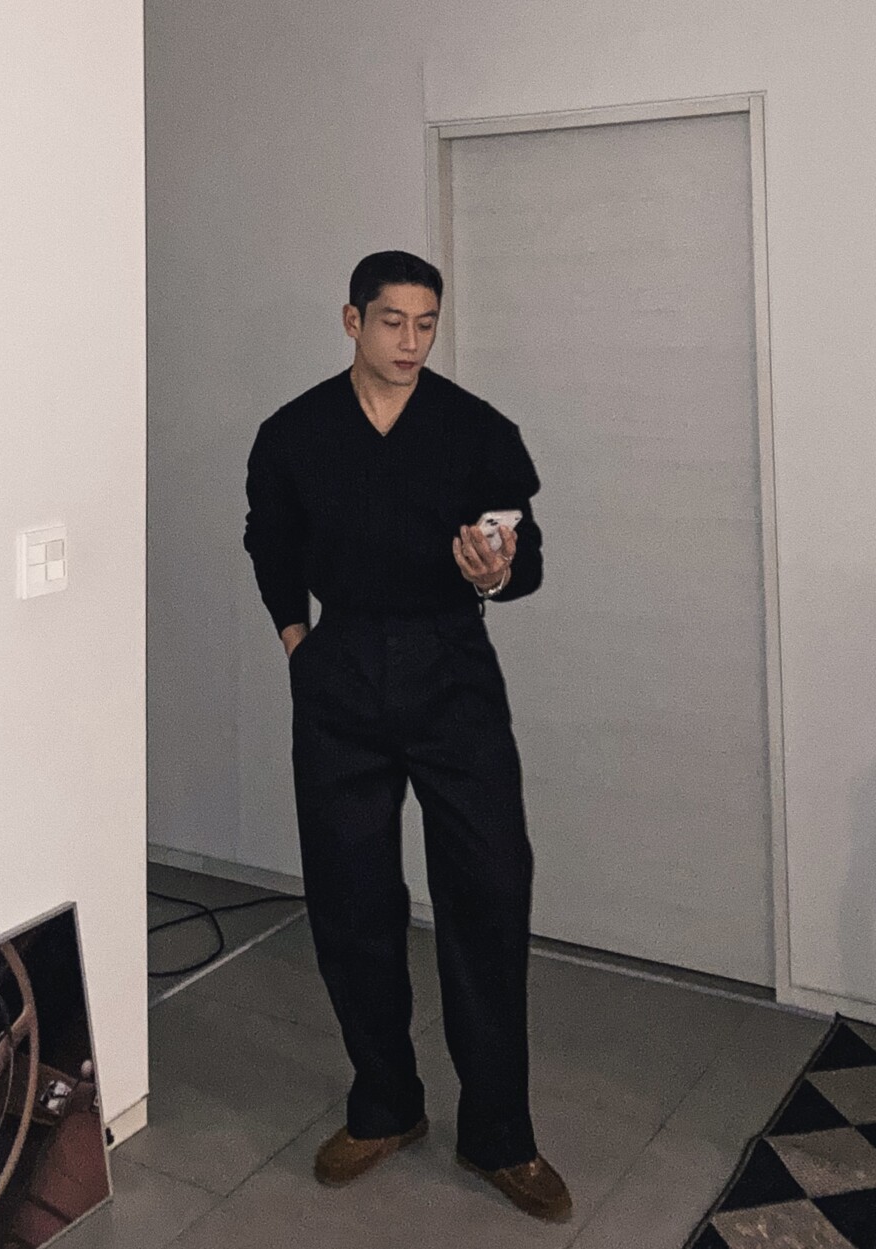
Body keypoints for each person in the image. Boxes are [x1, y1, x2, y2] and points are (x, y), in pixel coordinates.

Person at [243, 250, 571, 1221]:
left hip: (450, 666)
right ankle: (385, 1103)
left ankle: (500, 1132)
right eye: (393, 322)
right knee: (350, 896)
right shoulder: (295, 432)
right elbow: (269, 539)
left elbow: (526, 559)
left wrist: (494, 571)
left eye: (427, 324)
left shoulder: (475, 429)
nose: (411, 342)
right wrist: (297, 640)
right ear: (352, 320)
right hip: (340, 667)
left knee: (489, 887)